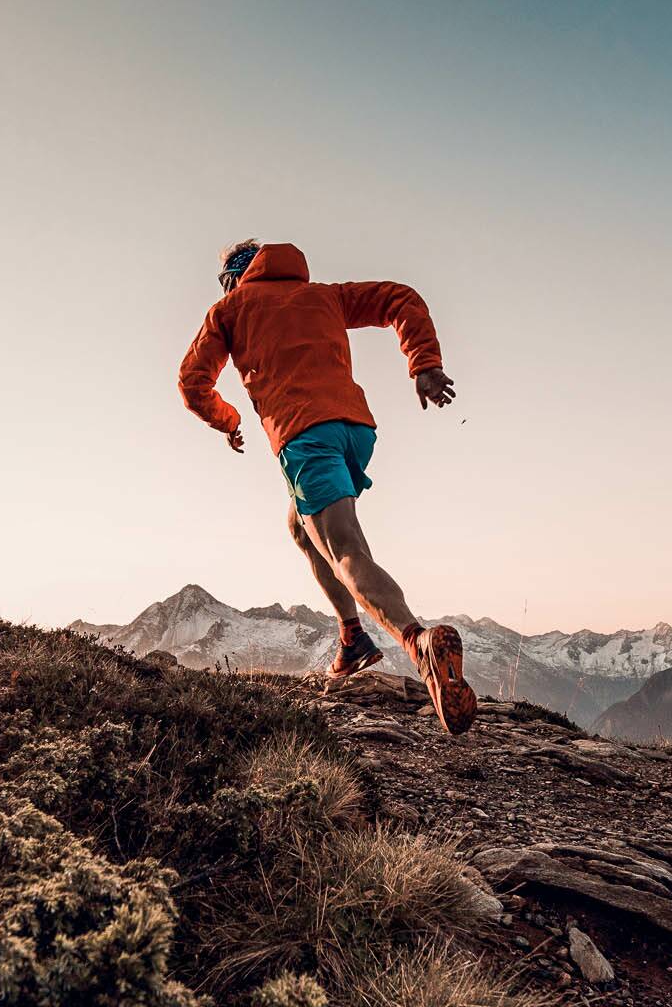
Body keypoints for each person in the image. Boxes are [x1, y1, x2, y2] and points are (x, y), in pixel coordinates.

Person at [177, 240, 476, 735]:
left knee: (344, 549)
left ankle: (418, 643)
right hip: (355, 430)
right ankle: (352, 639)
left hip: (303, 432)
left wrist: (227, 419)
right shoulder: (324, 296)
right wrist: (423, 363)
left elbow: (192, 381)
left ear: (233, 278)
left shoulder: (228, 309)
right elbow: (400, 297)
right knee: (300, 528)